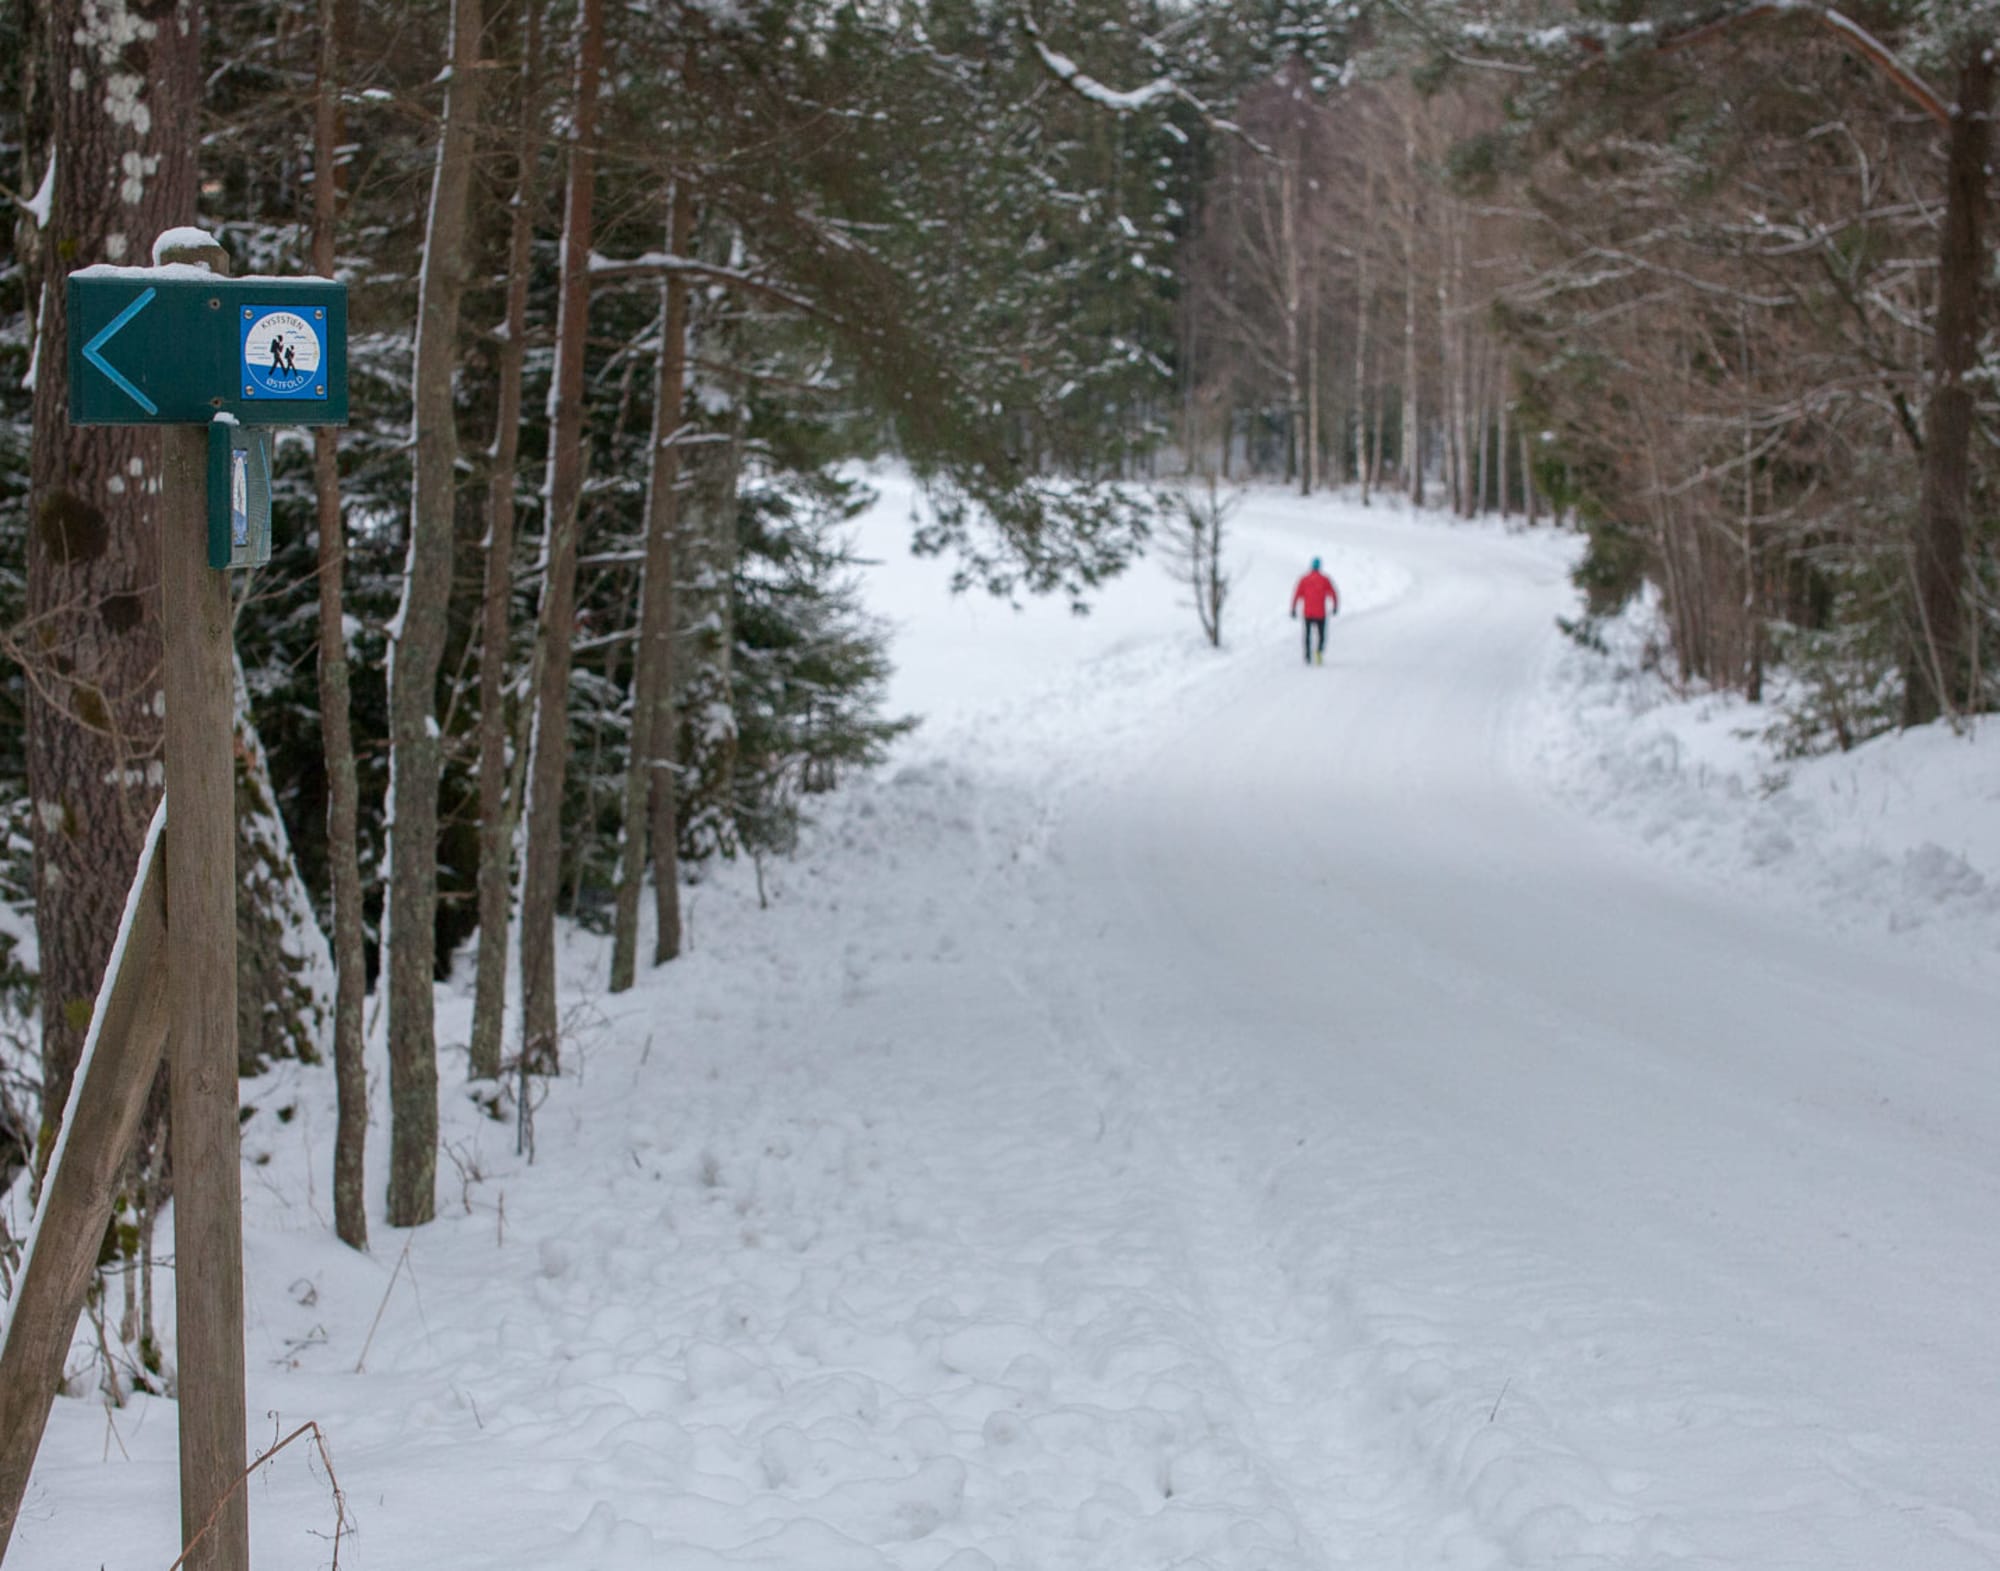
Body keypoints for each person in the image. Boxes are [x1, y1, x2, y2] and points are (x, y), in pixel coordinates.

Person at [1290, 557, 1339, 664]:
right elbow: (1333, 593)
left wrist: (1293, 608)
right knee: (1321, 635)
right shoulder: (1325, 579)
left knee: (1307, 634)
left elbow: (1297, 594)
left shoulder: (1304, 579)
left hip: (1308, 613)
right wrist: (1335, 606)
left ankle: (1307, 655)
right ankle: (1319, 651)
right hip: (1320, 613)